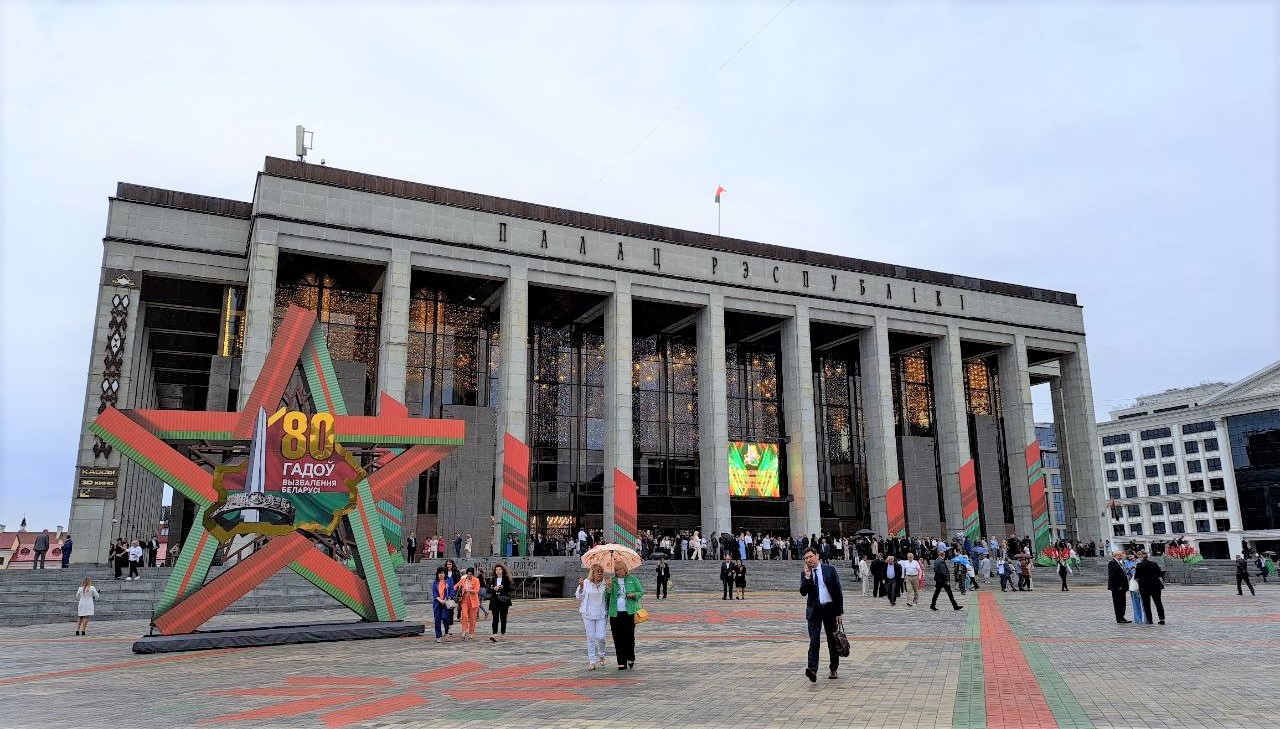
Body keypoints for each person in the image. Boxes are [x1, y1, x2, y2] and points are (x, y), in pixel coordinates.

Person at [799, 547, 843, 682]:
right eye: (806, 558)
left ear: (817, 556)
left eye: (810, 556)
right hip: (814, 611)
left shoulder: (829, 570)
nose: (809, 560)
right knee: (814, 640)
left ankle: (833, 668)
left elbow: (837, 590)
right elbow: (803, 592)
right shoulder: (806, 573)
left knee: (832, 640)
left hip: (829, 610)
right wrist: (807, 576)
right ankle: (812, 669)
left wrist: (839, 612)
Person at [604, 563, 643, 670]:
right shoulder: (612, 581)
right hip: (615, 613)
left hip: (629, 612)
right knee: (617, 638)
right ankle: (621, 661)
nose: (618, 572)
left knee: (629, 637)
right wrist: (608, 588)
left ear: (625, 569)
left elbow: (640, 591)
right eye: (616, 570)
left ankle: (630, 657)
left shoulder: (632, 579)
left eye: (620, 569)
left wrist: (633, 595)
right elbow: (607, 597)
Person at [576, 564, 609, 669]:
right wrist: (581, 587)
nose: (599, 573)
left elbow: (609, 596)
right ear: (592, 573)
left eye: (601, 571)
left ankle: (602, 655)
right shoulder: (586, 583)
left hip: (601, 613)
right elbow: (578, 596)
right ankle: (592, 661)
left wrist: (610, 587)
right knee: (590, 637)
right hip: (588, 613)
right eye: (597, 571)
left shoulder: (605, 583)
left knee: (601, 636)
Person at [1134, 551, 1166, 625]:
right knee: (1158, 603)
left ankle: (1149, 619)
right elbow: (1160, 574)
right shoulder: (1154, 564)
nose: (1139, 556)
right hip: (1155, 586)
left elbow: (1136, 577)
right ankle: (1162, 619)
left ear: (1144, 556)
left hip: (1144, 587)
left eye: (1140, 555)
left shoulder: (1139, 565)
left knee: (1146, 604)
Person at [489, 563, 513, 641]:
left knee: (503, 617)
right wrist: (494, 588)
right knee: (495, 618)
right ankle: (494, 633)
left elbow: (510, 589)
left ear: (502, 570)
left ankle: (503, 633)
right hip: (495, 600)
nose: (498, 571)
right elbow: (489, 589)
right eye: (496, 569)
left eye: (500, 569)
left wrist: (502, 587)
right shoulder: (493, 579)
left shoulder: (506, 579)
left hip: (503, 600)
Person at [431, 567, 455, 642]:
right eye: (439, 573)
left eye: (442, 573)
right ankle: (438, 636)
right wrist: (440, 600)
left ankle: (447, 631)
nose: (441, 575)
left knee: (445, 618)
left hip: (446, 603)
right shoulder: (435, 582)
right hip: (437, 603)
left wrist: (447, 597)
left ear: (445, 574)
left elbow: (452, 591)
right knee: (437, 620)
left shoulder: (449, 580)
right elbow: (434, 593)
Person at [456, 568, 481, 639]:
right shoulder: (463, 580)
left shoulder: (476, 580)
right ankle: (464, 630)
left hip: (473, 601)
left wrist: (469, 590)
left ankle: (471, 632)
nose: (469, 575)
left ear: (473, 574)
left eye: (471, 574)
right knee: (464, 615)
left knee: (473, 618)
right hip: (464, 600)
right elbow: (456, 586)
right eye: (468, 574)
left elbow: (477, 590)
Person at [1107, 551, 1131, 623]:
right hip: (1117, 587)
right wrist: (1119, 586)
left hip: (1122, 587)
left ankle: (1122, 616)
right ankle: (1119, 617)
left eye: (1122, 555)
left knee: (1122, 602)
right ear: (1115, 555)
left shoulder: (1120, 563)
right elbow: (1114, 576)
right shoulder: (1112, 563)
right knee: (1118, 602)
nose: (1121, 556)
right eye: (1119, 555)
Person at [1123, 553, 1144, 623]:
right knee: (1135, 602)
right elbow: (1126, 572)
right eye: (1128, 556)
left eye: (1131, 555)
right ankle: (1138, 619)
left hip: (1141, 583)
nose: (1130, 557)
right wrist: (1130, 569)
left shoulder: (1139, 562)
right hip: (1132, 583)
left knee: (1144, 602)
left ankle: (1146, 618)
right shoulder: (1126, 562)